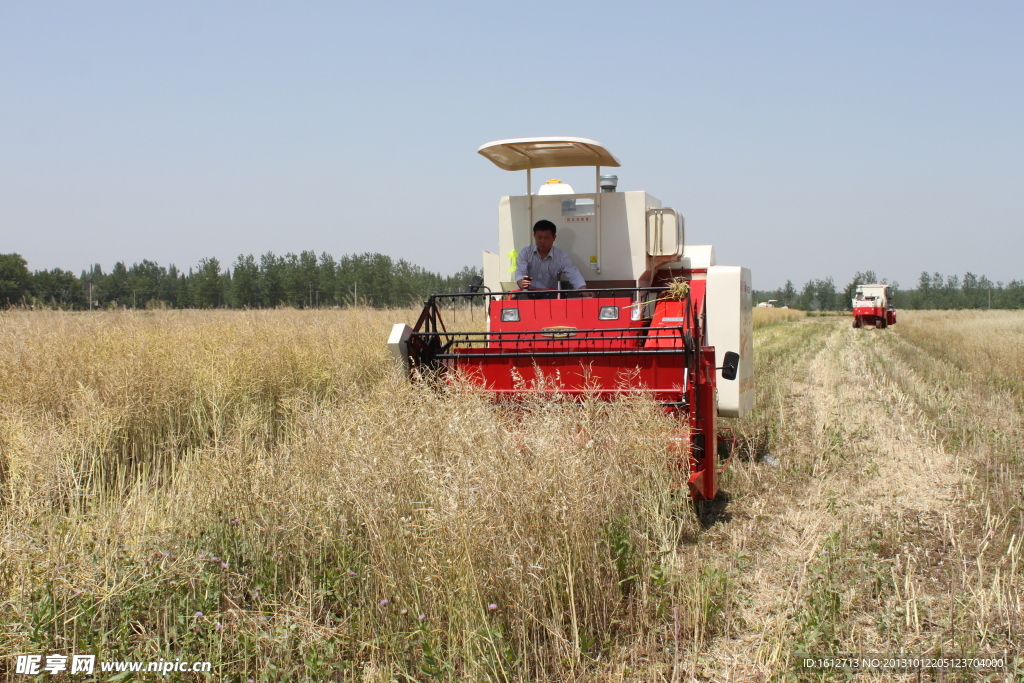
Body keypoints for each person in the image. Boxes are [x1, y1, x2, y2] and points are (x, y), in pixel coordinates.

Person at [514, 220, 589, 297]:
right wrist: (521, 282)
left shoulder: (561, 256)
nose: (542, 241)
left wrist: (584, 291)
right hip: (529, 294)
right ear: (534, 236)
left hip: (551, 296)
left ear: (554, 238)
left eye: (546, 238)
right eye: (539, 237)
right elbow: (520, 271)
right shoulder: (526, 252)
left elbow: (573, 274)